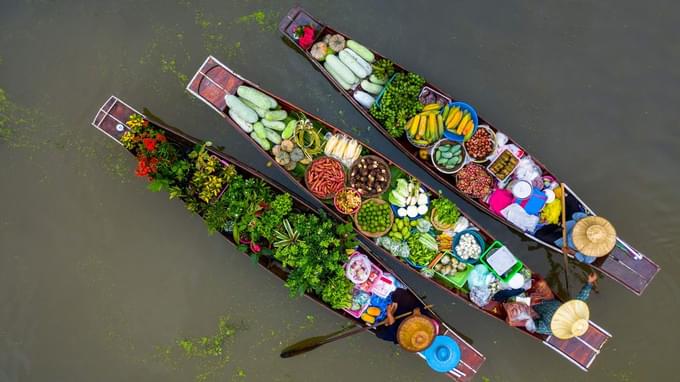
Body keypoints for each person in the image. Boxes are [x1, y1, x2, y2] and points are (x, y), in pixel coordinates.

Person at [532, 272, 598, 337]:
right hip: (548, 299)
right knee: (540, 283)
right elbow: (581, 298)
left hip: (534, 305)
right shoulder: (574, 312)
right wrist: (589, 283)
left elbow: (530, 324)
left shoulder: (551, 328)